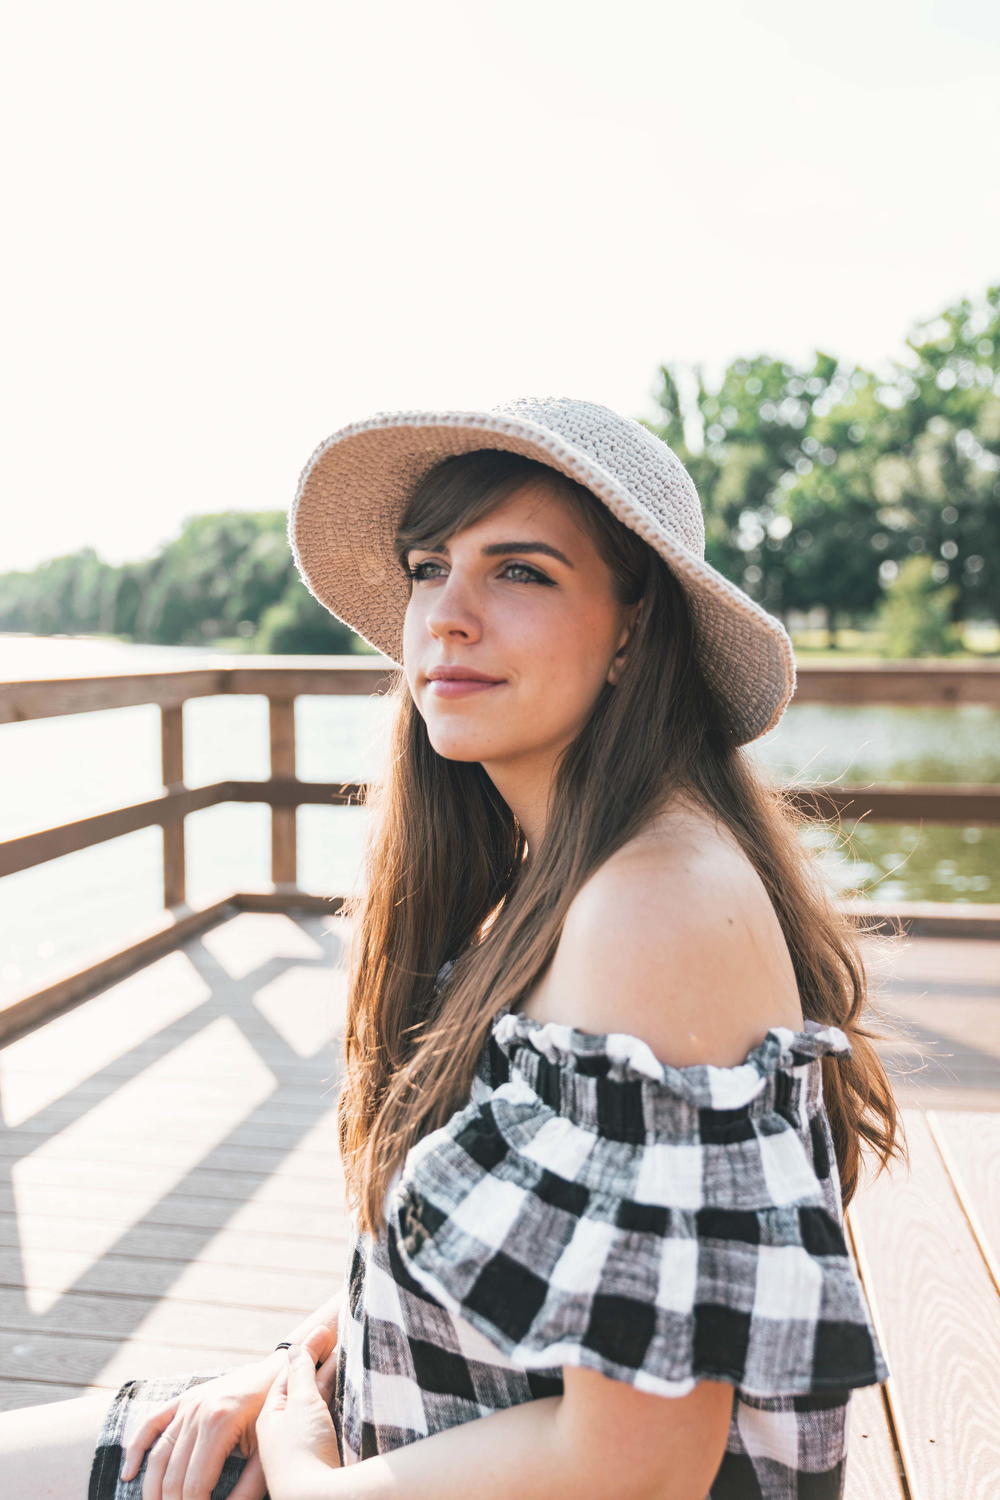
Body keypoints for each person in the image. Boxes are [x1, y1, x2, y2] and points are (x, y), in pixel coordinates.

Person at [0, 394, 901, 1500]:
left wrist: (310, 1482)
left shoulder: (653, 907)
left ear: (633, 628)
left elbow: (643, 1460)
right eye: (431, 566)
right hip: (393, 1434)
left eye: (519, 571)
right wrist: (291, 1371)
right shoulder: (551, 876)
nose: (447, 616)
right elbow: (497, 1256)